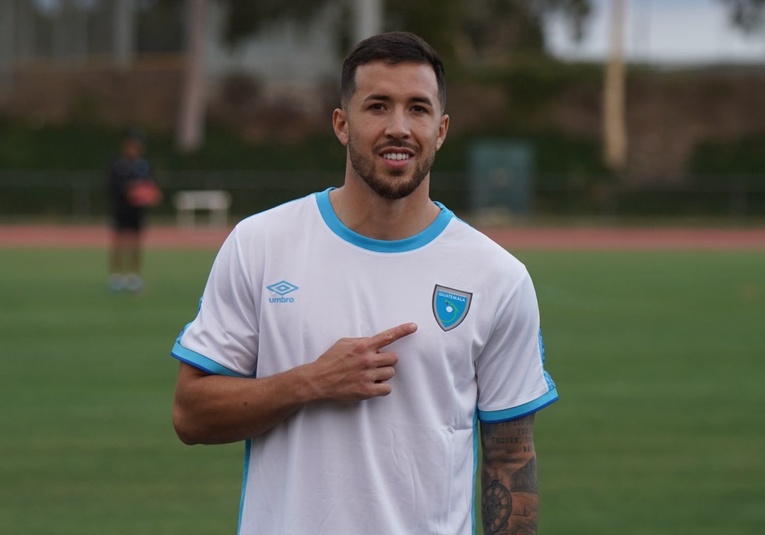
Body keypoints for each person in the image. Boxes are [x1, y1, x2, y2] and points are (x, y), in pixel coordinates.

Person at [171, 31, 558, 535]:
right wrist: (310, 381)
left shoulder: (498, 277)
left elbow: (509, 458)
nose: (399, 127)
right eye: (378, 106)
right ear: (341, 124)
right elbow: (191, 415)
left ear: (440, 130)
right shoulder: (261, 244)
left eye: (417, 109)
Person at [106, 128, 160, 293]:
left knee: (136, 245)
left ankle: (134, 277)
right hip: (121, 210)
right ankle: (116, 277)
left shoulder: (143, 166)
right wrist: (130, 191)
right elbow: (111, 186)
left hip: (137, 212)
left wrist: (150, 194)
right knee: (119, 244)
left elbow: (150, 185)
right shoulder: (117, 165)